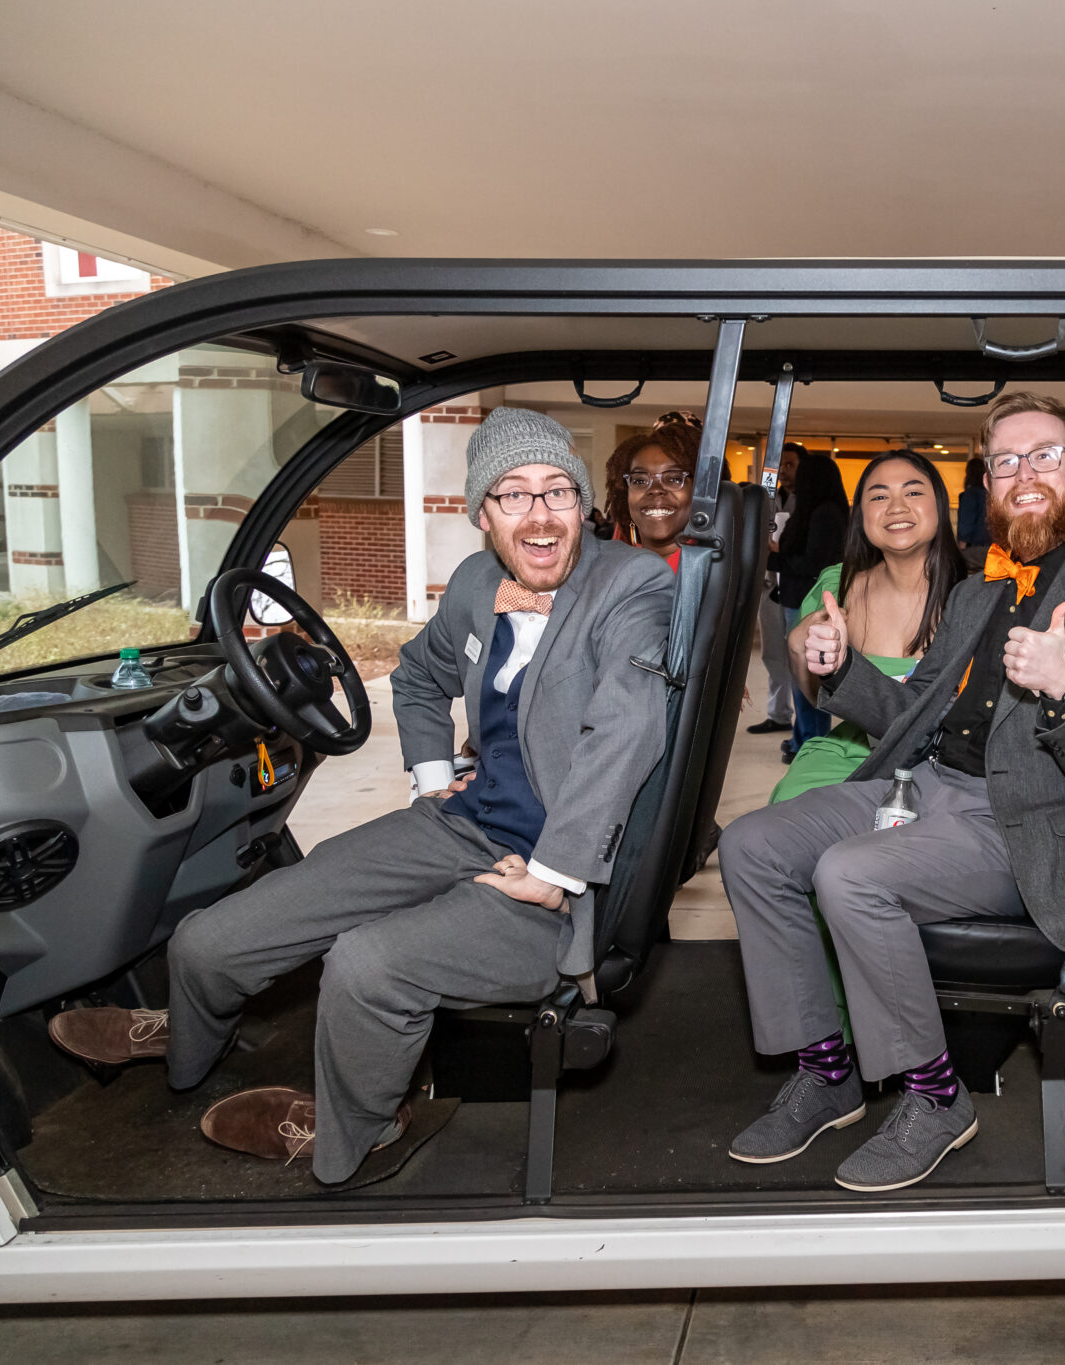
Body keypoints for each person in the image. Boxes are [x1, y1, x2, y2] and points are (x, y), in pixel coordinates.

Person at [45, 408, 675, 1184]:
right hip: (460, 823)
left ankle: (361, 1129)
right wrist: (435, 780)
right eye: (513, 495)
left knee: (367, 964)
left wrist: (556, 870)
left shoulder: (630, 584)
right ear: (482, 513)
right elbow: (415, 677)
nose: (540, 515)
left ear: (584, 504)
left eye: (558, 492)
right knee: (211, 940)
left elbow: (628, 724)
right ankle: (185, 1042)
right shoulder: (480, 582)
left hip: (549, 874)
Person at [717, 391, 1065, 1192]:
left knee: (849, 873)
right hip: (922, 785)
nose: (1025, 474)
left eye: (1045, 456)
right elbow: (912, 711)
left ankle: (935, 1095)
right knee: (751, 843)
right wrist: (839, 668)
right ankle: (829, 1071)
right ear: (987, 481)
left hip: (1017, 825)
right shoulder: (977, 594)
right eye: (1006, 461)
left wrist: (1063, 690)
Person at [776, 450, 967, 802]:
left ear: (939, 504)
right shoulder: (839, 587)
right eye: (879, 496)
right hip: (851, 755)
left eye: (912, 492)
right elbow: (816, 699)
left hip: (945, 766)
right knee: (782, 820)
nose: (896, 507)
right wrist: (799, 648)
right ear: (861, 515)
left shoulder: (976, 593)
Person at [770, 450, 850, 753]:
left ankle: (811, 744)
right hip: (797, 598)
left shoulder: (824, 514)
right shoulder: (819, 510)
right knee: (800, 677)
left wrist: (774, 558)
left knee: (807, 677)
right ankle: (802, 738)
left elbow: (813, 565)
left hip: (808, 603)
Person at [749, 443, 805, 737]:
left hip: (799, 586)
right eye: (781, 465)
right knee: (773, 653)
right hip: (769, 583)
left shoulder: (810, 501)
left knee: (801, 657)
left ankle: (804, 722)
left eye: (791, 465)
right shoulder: (769, 498)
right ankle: (778, 713)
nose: (784, 470)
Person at [605, 410, 703, 569]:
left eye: (674, 479)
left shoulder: (714, 570)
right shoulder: (611, 566)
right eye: (639, 480)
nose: (655, 489)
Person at [955, 455, 991, 568]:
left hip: (974, 548)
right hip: (991, 547)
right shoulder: (989, 495)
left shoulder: (970, 494)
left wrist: (961, 546)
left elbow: (966, 522)